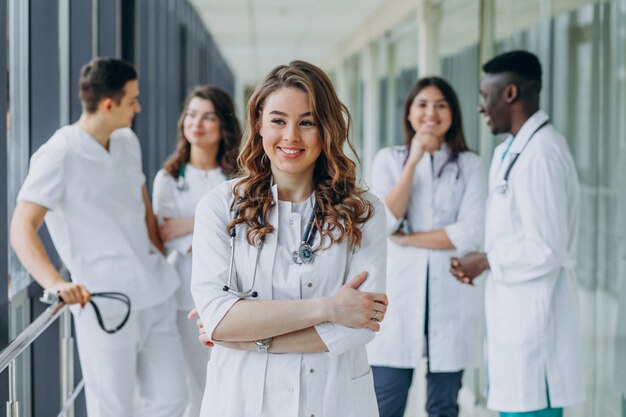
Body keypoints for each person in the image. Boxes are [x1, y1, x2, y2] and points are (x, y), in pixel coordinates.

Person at [190, 60, 388, 417]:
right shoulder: (219, 206)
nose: (291, 137)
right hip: (241, 400)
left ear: (327, 129)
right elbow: (220, 320)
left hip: (334, 399)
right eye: (278, 121)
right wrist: (327, 309)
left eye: (307, 122)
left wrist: (248, 337)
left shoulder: (364, 209)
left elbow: (361, 325)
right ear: (259, 124)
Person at [10, 57, 186, 417]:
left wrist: (160, 245)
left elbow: (141, 206)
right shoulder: (58, 154)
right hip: (105, 301)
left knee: (173, 397)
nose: (138, 107)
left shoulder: (126, 141)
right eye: (132, 100)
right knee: (112, 408)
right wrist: (57, 283)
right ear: (109, 104)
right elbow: (21, 228)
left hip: (154, 290)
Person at [449, 50, 585, 417]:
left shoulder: (542, 153)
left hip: (536, 323)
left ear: (510, 93)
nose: (481, 107)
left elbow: (546, 247)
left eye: (485, 95)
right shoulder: (515, 149)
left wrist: (487, 260)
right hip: (516, 318)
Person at [367, 77, 486, 417]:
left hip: (451, 297)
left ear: (453, 113)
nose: (431, 113)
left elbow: (468, 231)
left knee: (444, 406)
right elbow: (386, 220)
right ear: (409, 113)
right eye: (422, 104)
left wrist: (407, 240)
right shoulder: (389, 159)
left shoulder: (470, 164)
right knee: (386, 403)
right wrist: (414, 160)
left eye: (441, 105)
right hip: (399, 298)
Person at [152, 85, 241, 417]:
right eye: (191, 115)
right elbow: (167, 235)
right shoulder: (169, 178)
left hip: (235, 293)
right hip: (185, 298)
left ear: (224, 126)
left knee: (231, 381)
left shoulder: (239, 176)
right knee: (199, 386)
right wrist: (218, 227)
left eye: (208, 117)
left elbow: (247, 231)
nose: (197, 124)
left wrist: (191, 224)